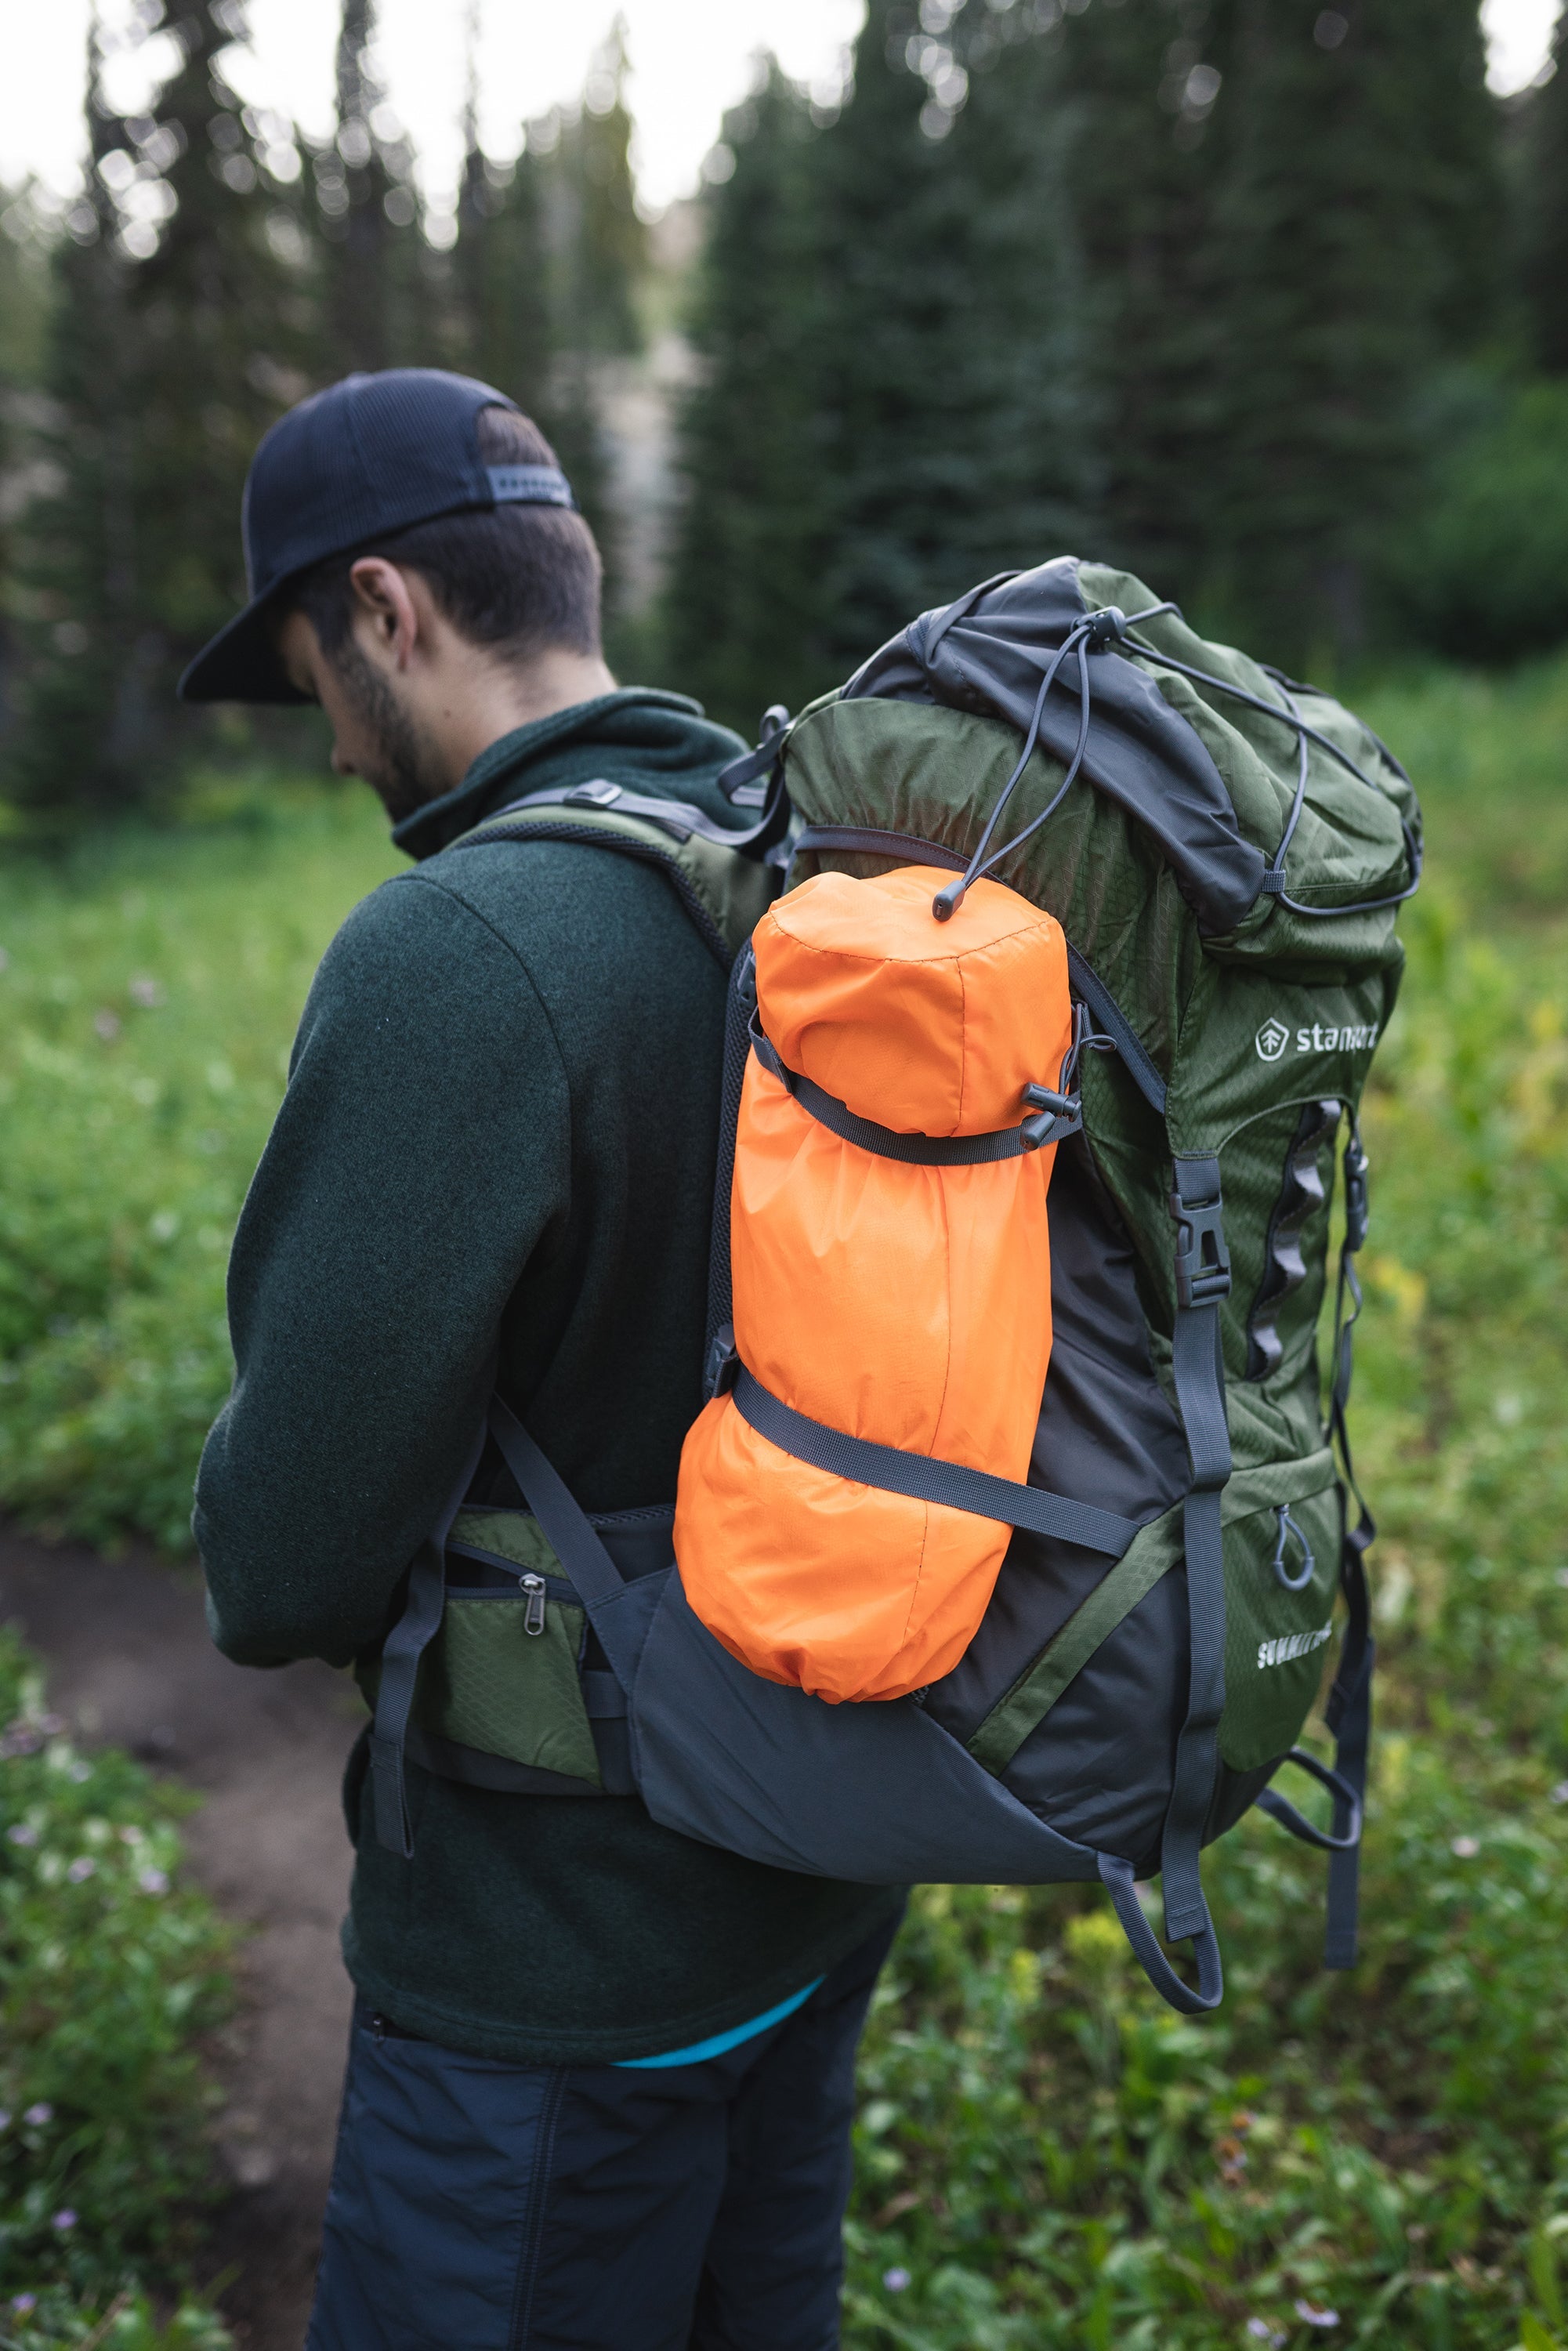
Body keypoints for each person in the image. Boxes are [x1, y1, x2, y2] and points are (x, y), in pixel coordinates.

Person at [183, 368, 904, 2351]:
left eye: (313, 674)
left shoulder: (460, 951)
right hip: (813, 1869)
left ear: (389, 611)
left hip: (548, 1972)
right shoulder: (815, 868)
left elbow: (280, 1568)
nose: (330, 743)